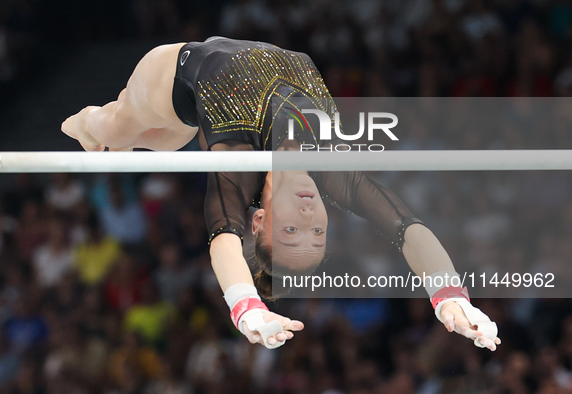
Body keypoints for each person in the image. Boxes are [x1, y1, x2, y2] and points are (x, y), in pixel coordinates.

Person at [62, 37, 500, 351]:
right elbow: (407, 228)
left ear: (259, 220)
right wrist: (449, 296)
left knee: (114, 129)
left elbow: (223, 237)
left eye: (291, 230)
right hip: (211, 94)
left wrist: (245, 306)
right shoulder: (332, 172)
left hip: (170, 76)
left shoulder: (238, 162)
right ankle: (111, 135)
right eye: (318, 234)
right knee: (156, 139)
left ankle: (87, 124)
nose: (311, 219)